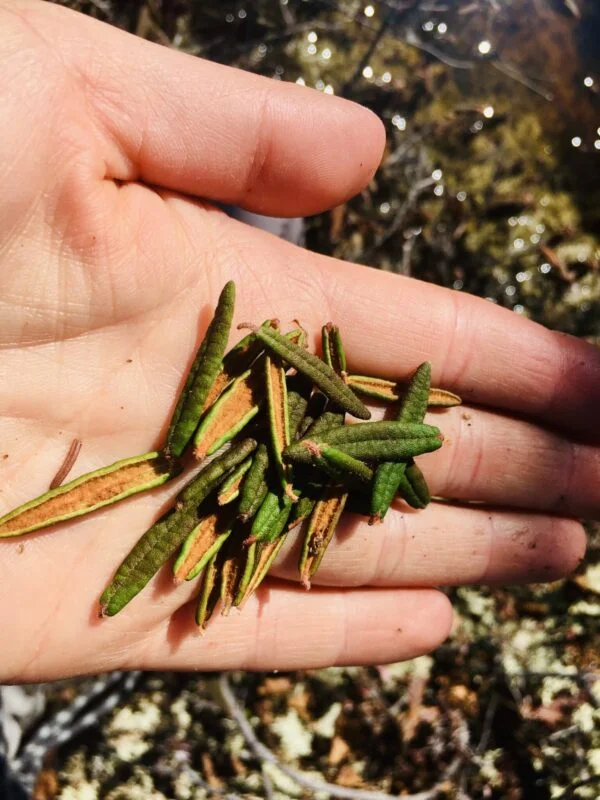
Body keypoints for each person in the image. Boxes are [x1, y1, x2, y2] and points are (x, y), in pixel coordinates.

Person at [0, 0, 596, 685]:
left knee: (264, 248)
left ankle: (265, 225)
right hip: (273, 412)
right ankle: (267, 225)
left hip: (284, 418)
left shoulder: (298, 438)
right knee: (265, 242)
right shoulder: (272, 431)